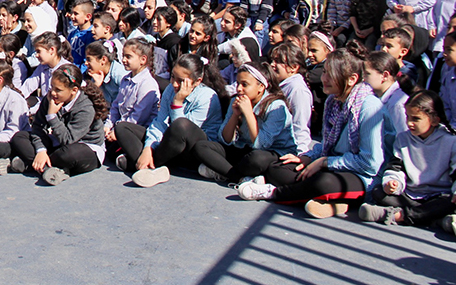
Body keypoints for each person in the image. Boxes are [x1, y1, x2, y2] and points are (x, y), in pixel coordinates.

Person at [238, 48, 384, 219]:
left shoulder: (369, 107)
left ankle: (273, 193)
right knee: (278, 169)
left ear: (352, 79)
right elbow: (328, 145)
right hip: (332, 164)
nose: (324, 79)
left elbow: (370, 163)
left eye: (330, 74)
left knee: (323, 182)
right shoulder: (334, 101)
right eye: (324, 72)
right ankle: (332, 202)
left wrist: (325, 162)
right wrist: (307, 157)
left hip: (362, 176)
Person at [114, 54, 223, 187]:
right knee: (122, 128)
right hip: (169, 145)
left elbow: (182, 132)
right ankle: (149, 165)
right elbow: (160, 122)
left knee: (180, 125)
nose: (174, 84)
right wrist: (148, 148)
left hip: (193, 150)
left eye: (181, 81)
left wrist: (177, 103)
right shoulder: (170, 89)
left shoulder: (207, 97)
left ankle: (147, 165)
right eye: (172, 77)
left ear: (197, 81)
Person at [358, 92, 456, 229]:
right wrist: (392, 183)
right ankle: (433, 218)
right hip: (411, 195)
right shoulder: (403, 138)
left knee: (449, 202)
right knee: (378, 191)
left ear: (434, 120)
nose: (409, 123)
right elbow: (396, 167)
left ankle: (397, 215)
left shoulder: (451, 141)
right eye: (407, 117)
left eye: (416, 119)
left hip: (438, 195)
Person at [0, 64, 107, 185]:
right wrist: (41, 151)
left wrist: (52, 116)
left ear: (74, 90)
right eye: (52, 87)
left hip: (84, 147)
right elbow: (38, 127)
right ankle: (47, 168)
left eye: (58, 90)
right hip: (57, 143)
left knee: (67, 155)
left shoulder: (85, 108)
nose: (53, 93)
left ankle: (30, 163)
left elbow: (68, 139)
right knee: (20, 137)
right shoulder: (50, 98)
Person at [192, 62, 297, 183]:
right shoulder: (236, 100)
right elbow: (224, 139)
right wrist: (235, 115)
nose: (239, 89)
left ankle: (223, 171)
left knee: (256, 160)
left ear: (261, 87)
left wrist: (248, 113)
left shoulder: (276, 107)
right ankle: (239, 177)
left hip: (272, 153)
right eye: (238, 84)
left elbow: (261, 144)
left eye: (244, 85)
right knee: (202, 146)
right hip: (246, 148)